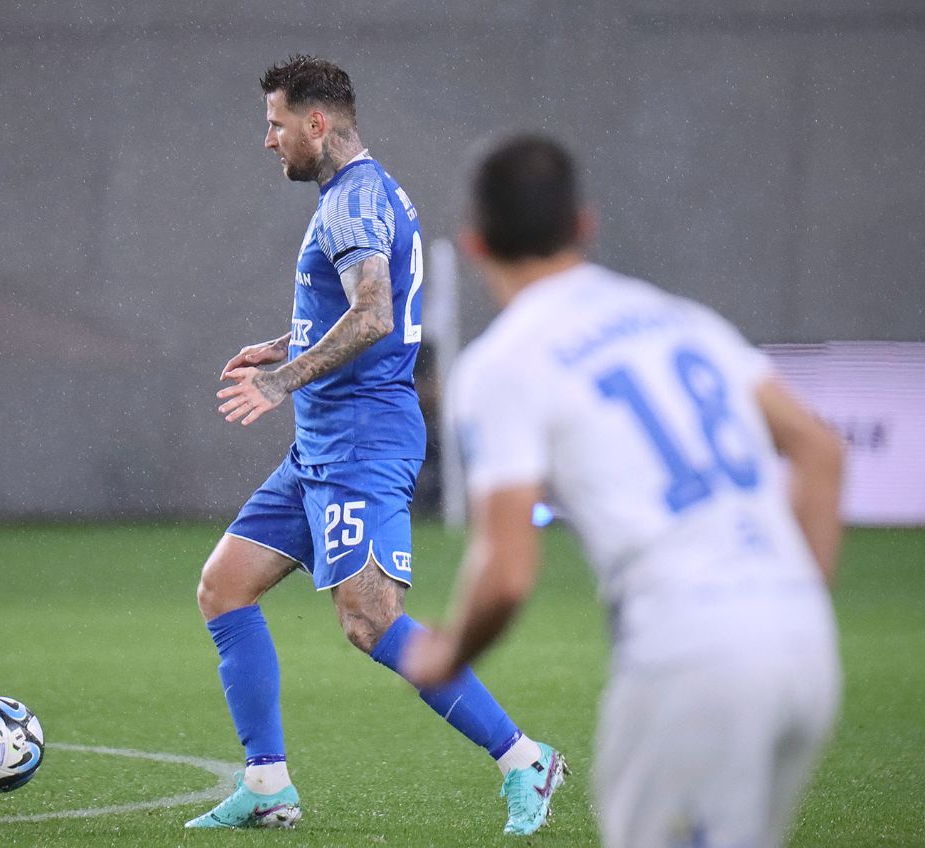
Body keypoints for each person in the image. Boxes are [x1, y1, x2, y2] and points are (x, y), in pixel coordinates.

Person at [403, 135, 844, 848]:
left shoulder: (502, 365)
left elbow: (507, 572)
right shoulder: (683, 320)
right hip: (805, 648)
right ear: (585, 223)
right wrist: (790, 599)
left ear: (475, 243)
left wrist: (448, 654)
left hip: (687, 656)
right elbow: (820, 451)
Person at [185, 57, 565, 834]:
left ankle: (524, 758)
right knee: (224, 586)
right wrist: (284, 343)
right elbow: (355, 306)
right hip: (321, 446)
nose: (269, 140)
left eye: (276, 124)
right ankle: (267, 785)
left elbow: (374, 316)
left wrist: (281, 379)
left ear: (316, 122)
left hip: (362, 445)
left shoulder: (352, 203)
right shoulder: (364, 191)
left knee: (370, 621)